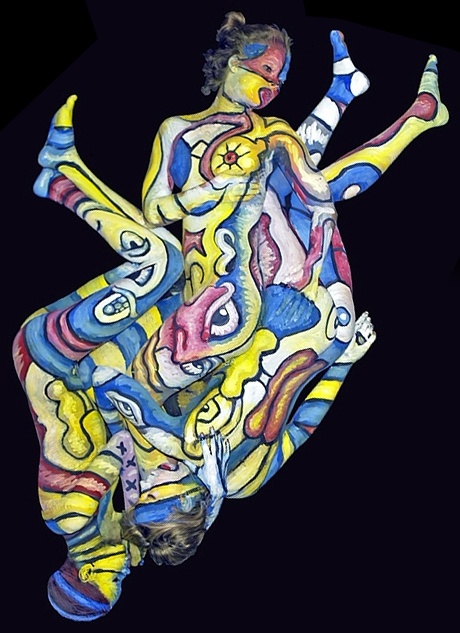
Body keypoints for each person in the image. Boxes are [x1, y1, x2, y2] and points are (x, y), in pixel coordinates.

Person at [13, 11, 448, 620]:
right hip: (225, 319)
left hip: (61, 355)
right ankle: (371, 101)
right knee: (294, 203)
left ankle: (62, 175)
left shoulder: (74, 511)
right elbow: (294, 432)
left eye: (109, 580)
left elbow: (109, 402)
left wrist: (161, 430)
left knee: (169, 262)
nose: (125, 572)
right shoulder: (183, 499)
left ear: (81, 568)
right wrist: (342, 362)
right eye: (263, 71)